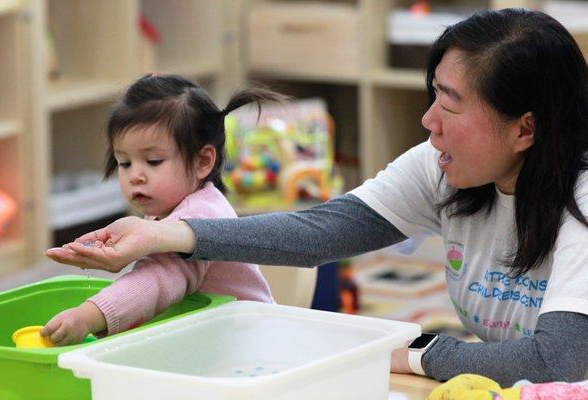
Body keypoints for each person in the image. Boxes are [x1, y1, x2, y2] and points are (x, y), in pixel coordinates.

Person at [45, 8, 588, 386]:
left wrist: (418, 354)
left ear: (525, 129)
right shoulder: (443, 168)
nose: (427, 122)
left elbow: (558, 360)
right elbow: (321, 233)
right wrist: (170, 233)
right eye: (432, 97)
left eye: (450, 106)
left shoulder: (581, 202)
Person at [41, 74, 280, 345]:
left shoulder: (200, 214)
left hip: (246, 346)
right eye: (125, 163)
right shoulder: (167, 206)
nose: (135, 176)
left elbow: (157, 279)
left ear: (202, 161)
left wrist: (87, 316)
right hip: (208, 339)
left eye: (153, 161)